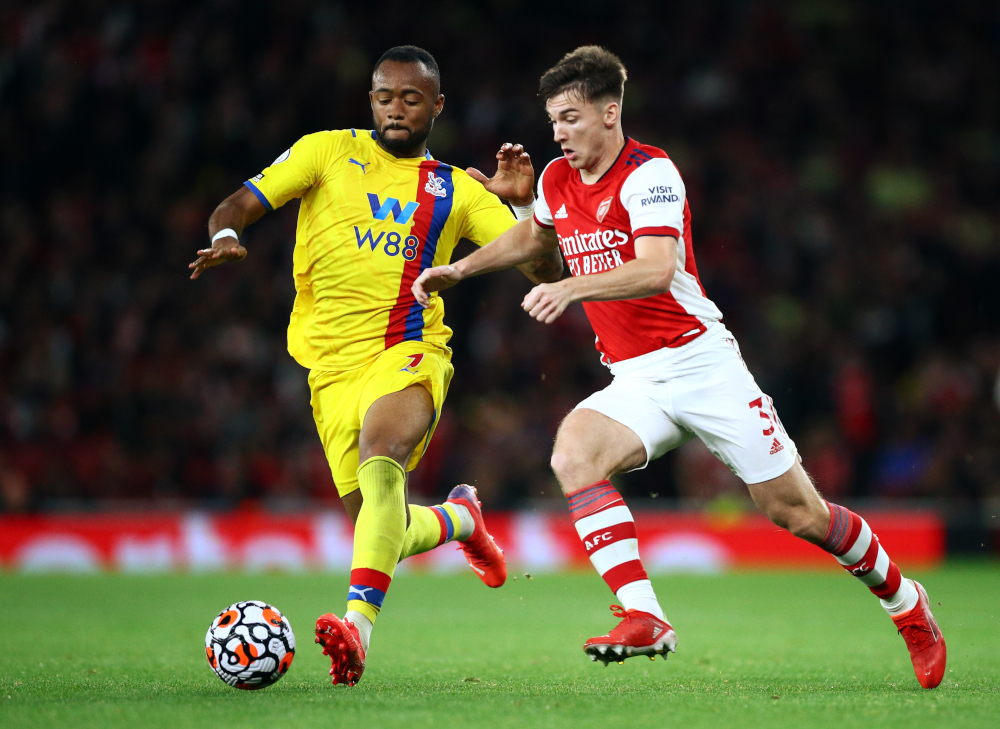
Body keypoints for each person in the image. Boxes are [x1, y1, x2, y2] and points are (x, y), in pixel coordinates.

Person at [412, 46, 946, 689]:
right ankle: (644, 616)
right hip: (636, 375)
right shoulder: (554, 179)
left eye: (571, 117)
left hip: (701, 364)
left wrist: (574, 290)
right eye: (553, 119)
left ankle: (906, 604)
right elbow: (537, 243)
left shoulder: (651, 173)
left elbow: (657, 267)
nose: (558, 133)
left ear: (610, 113)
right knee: (573, 453)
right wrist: (461, 268)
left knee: (797, 514)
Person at [190, 45, 561, 687]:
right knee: (376, 517)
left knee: (382, 452)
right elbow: (240, 204)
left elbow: (543, 267)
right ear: (371, 99)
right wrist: (228, 237)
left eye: (411, 98)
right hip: (329, 369)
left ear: (436, 106)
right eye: (385, 96)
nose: (396, 109)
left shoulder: (458, 189)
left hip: (409, 348)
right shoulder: (325, 151)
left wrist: (527, 209)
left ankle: (356, 629)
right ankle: (461, 519)